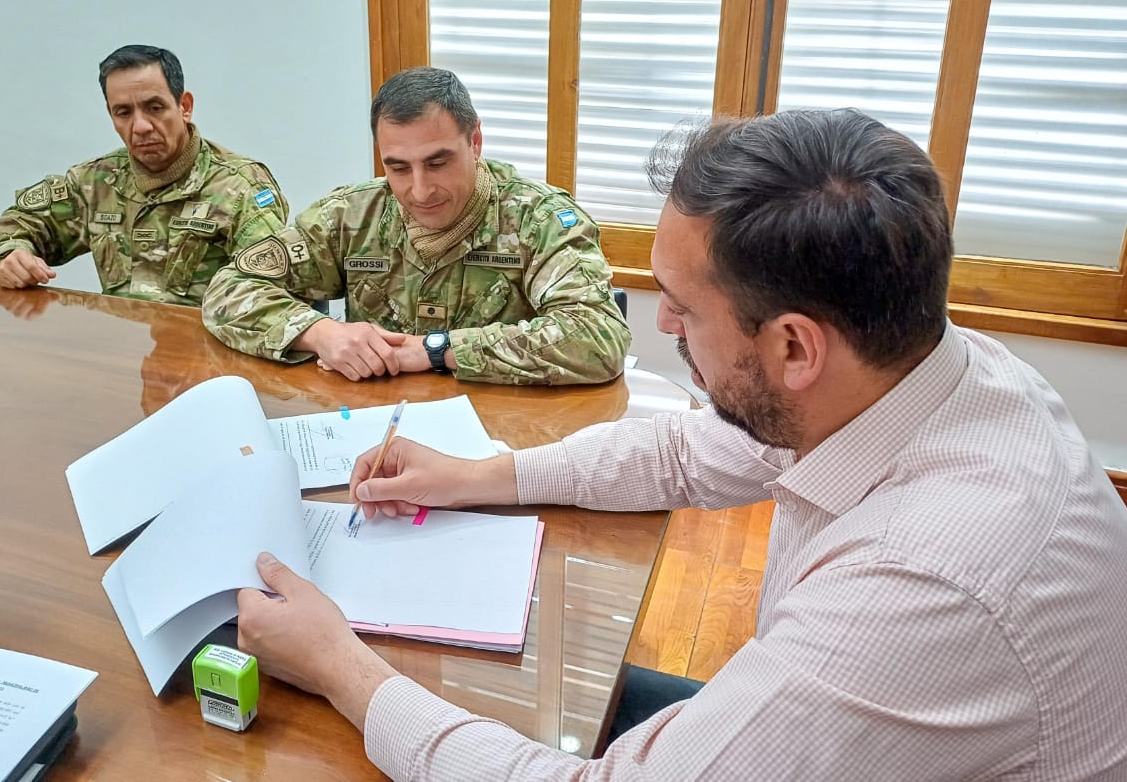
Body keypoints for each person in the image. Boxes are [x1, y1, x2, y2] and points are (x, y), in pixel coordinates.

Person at [234, 109, 1127, 779]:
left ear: (792, 346)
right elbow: (680, 453)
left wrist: (339, 662)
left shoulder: (925, 582)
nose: (659, 322)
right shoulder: (918, 368)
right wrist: (479, 473)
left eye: (683, 306)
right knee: (501, 701)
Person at [201, 67, 628, 385]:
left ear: (474, 141)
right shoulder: (353, 215)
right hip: (375, 427)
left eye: (437, 162)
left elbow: (599, 337)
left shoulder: (540, 220)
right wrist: (320, 332)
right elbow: (228, 288)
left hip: (501, 435)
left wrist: (437, 351)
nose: (420, 190)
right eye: (398, 167)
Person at [0, 45, 288, 306]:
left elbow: (266, 295)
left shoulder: (240, 187)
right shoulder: (95, 182)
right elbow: (16, 225)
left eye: (154, 107)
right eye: (124, 112)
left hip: (208, 360)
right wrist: (13, 254)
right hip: (120, 353)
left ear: (184, 106)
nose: (140, 126)